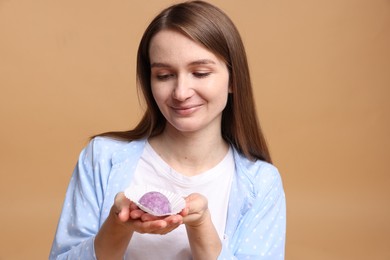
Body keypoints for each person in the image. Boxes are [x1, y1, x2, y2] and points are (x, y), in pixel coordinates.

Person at [50, 1, 286, 259]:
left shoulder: (261, 183)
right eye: (164, 75)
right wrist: (117, 226)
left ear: (233, 79)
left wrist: (201, 227)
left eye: (200, 72)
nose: (181, 93)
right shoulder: (101, 159)